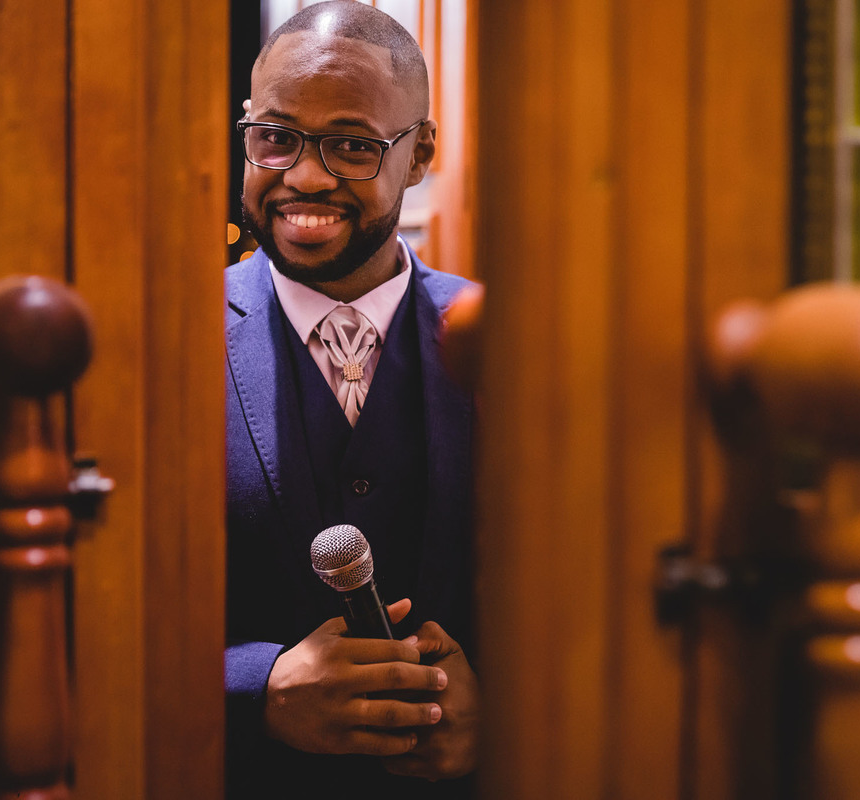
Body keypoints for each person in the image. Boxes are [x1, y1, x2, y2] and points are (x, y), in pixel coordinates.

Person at [223, 2, 480, 796]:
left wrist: (501, 710)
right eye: (276, 136)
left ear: (421, 152)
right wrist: (256, 685)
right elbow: (100, 610)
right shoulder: (161, 347)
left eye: (352, 145)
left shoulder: (506, 341)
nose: (305, 176)